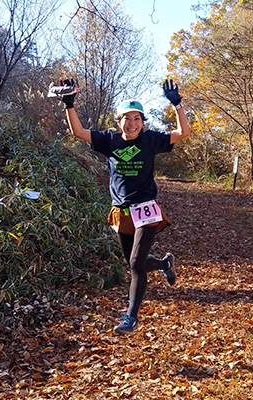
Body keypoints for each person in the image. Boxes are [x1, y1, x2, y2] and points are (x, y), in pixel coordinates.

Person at [56, 78, 190, 334]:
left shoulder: (150, 140)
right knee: (132, 261)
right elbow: (79, 132)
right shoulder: (109, 141)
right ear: (118, 122)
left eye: (137, 119)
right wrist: (69, 104)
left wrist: (177, 104)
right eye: (127, 119)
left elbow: (183, 133)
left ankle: (131, 317)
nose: (132, 124)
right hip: (122, 211)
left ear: (143, 122)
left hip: (147, 209)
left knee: (137, 263)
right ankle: (164, 264)